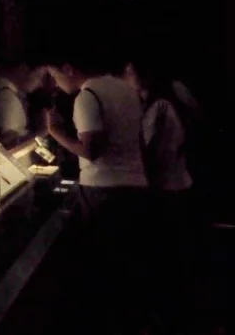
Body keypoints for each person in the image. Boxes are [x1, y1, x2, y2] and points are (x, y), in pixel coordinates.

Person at [45, 57, 149, 334]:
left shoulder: (87, 96)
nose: (55, 82)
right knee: (127, 267)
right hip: (136, 186)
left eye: (54, 74)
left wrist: (55, 132)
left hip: (104, 191)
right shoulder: (125, 89)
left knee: (104, 266)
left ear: (68, 68)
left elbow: (91, 151)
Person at [125, 59, 198, 329]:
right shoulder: (173, 96)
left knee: (166, 259)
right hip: (180, 185)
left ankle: (167, 319)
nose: (125, 78)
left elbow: (146, 152)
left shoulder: (159, 106)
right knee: (176, 258)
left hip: (166, 190)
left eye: (129, 72)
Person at [0, 61, 45, 147]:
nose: (40, 84)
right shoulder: (8, 97)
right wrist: (43, 131)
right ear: (23, 68)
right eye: (40, 77)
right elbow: (7, 145)